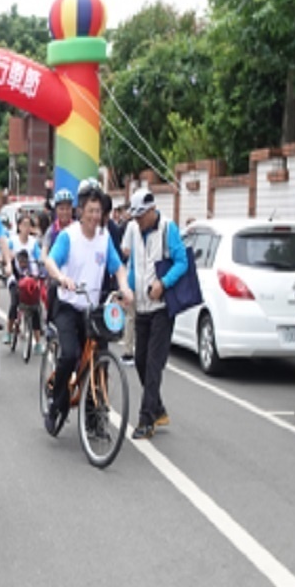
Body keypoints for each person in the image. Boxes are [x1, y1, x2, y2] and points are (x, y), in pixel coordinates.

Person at [42, 186, 134, 435]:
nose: (95, 215)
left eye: (99, 211)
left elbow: (118, 268)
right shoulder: (68, 236)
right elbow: (49, 260)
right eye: (91, 210)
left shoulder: (104, 239)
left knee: (98, 358)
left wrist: (124, 287)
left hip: (93, 308)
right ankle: (56, 404)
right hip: (68, 306)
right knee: (70, 354)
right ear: (80, 211)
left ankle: (94, 418)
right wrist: (61, 277)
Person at [122, 188, 187, 440]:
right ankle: (158, 408)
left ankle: (146, 419)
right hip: (141, 306)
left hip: (161, 309)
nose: (138, 221)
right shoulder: (134, 230)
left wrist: (164, 283)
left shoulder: (168, 228)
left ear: (152, 211)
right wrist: (126, 289)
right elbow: (133, 268)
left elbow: (182, 262)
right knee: (139, 359)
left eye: (141, 216)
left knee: (153, 365)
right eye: (135, 217)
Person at [8, 211, 47, 353]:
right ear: (18, 226)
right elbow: (5, 255)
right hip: (16, 278)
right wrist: (7, 260)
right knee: (14, 302)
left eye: (28, 225)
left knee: (35, 307)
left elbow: (39, 257)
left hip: (31, 278)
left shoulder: (33, 242)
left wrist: (42, 268)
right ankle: (9, 331)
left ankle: (37, 342)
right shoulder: (12, 241)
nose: (26, 227)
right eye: (23, 224)